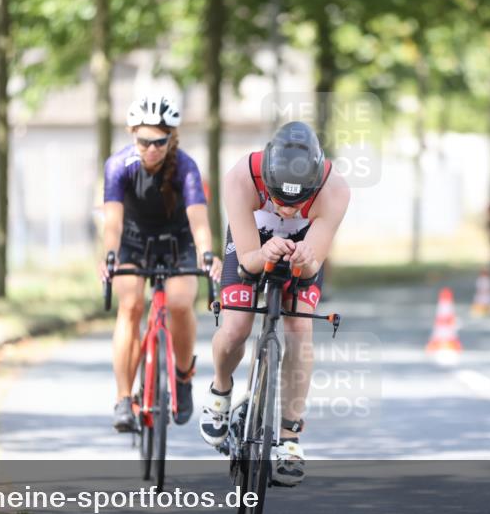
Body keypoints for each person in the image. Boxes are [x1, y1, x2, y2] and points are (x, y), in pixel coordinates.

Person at [200, 121, 350, 486]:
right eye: (279, 199)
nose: (285, 209)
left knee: (299, 328)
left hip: (304, 246)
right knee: (236, 326)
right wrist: (263, 252)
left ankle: (290, 436)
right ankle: (220, 390)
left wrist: (305, 259)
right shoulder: (241, 176)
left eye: (296, 203)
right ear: (266, 179)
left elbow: (314, 264)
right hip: (253, 240)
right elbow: (249, 259)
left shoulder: (335, 190)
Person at [99, 95, 220, 432]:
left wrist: (206, 254)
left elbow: (198, 220)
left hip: (177, 240)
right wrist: (110, 255)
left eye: (160, 142)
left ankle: (182, 377)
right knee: (132, 305)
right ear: (131, 134)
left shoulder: (186, 167)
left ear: (172, 138)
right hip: (134, 242)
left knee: (181, 303)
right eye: (144, 141)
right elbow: (112, 222)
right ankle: (124, 399)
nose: (152, 149)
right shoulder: (118, 166)